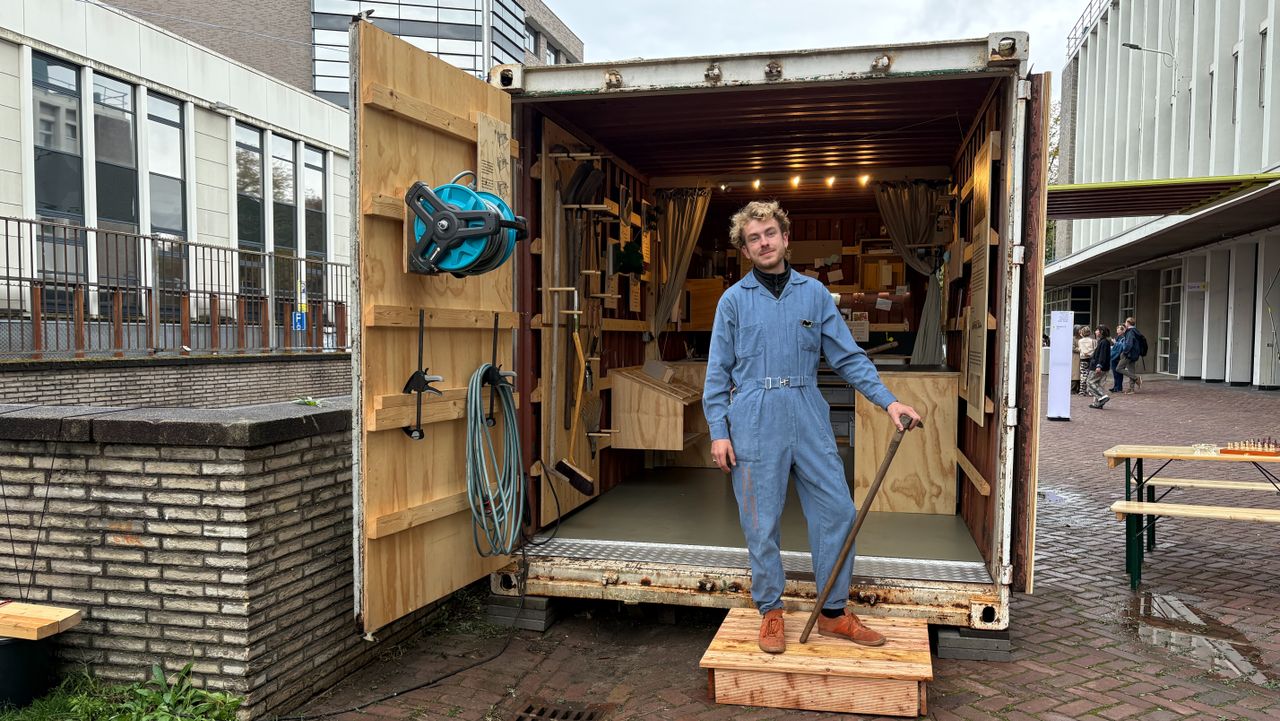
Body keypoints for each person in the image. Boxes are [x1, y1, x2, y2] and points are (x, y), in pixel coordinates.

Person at [704, 200, 922, 655]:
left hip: (806, 407)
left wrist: (888, 401)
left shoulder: (815, 294)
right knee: (761, 520)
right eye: (753, 238)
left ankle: (833, 613)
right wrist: (718, 430)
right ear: (745, 250)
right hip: (754, 414)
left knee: (837, 510)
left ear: (785, 238)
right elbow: (717, 371)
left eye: (769, 233)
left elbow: (846, 357)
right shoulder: (733, 302)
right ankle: (771, 611)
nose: (763, 243)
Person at [1085, 325, 1112, 409]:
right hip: (1104, 367)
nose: (1095, 332)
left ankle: (1102, 397)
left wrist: (1099, 365)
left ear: (1101, 332)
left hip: (1098, 366)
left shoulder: (1103, 342)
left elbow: (1102, 355)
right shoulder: (1103, 341)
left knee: (1090, 382)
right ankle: (1097, 403)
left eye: (1097, 330)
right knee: (1098, 384)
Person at [1115, 317, 1143, 393]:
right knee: (1131, 370)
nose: (1125, 323)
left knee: (1118, 368)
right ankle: (1131, 389)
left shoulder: (1130, 332)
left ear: (1128, 323)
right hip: (1134, 353)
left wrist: (1124, 352)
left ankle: (1136, 378)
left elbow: (1129, 344)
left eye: (1126, 322)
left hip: (1128, 354)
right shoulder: (1135, 331)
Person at [1077, 325, 1097, 396]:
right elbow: (1095, 349)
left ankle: (1082, 391)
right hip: (1091, 358)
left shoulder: (1080, 341)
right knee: (1091, 375)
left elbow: (1080, 349)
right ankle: (1090, 391)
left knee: (1083, 375)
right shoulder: (1093, 341)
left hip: (1083, 359)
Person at [1110, 323, 1128, 393]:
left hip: (1119, 357)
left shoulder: (1124, 338)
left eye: (1119, 329)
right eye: (1117, 329)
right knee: (1114, 372)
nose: (1117, 330)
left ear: (1123, 330)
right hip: (1114, 356)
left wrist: (1115, 343)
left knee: (1119, 373)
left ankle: (1119, 387)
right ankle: (1115, 386)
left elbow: (1122, 347)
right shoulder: (1117, 337)